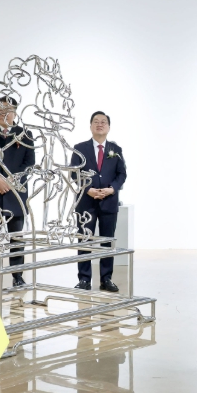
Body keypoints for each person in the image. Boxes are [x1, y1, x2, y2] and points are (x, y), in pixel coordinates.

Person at [0, 97, 35, 289]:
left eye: (8, 109)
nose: (4, 113)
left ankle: (18, 276)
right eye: (0, 109)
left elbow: (29, 164)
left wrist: (10, 180)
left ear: (15, 112)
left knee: (16, 238)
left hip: (15, 194)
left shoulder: (25, 134)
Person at [70, 111, 127, 292]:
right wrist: (88, 189)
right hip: (86, 203)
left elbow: (122, 174)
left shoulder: (116, 149)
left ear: (108, 127)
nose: (100, 124)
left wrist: (112, 189)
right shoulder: (79, 148)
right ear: (90, 126)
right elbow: (74, 173)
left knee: (107, 241)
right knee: (84, 240)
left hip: (109, 202)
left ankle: (106, 278)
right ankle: (84, 279)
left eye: (103, 122)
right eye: (96, 121)